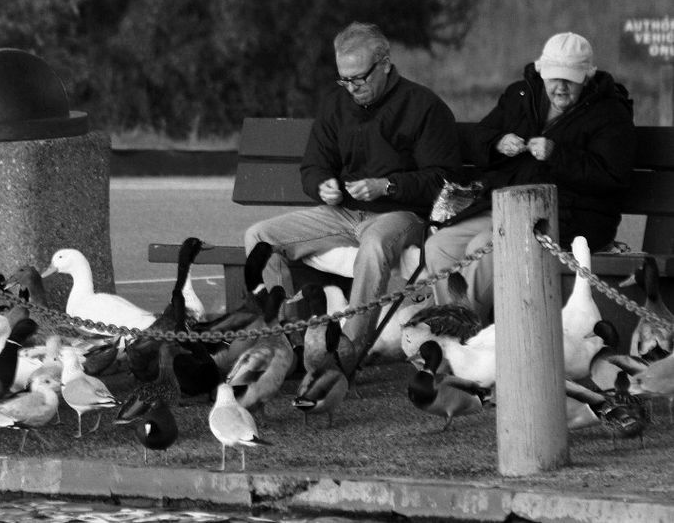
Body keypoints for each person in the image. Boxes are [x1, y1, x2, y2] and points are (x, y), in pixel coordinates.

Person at [244, 22, 461, 354]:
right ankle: (286, 342)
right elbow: (313, 165)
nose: (352, 87)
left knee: (373, 246)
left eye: (359, 78)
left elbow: (443, 180)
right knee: (259, 237)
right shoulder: (336, 104)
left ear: (385, 64)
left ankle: (350, 348)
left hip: (403, 214)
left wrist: (387, 186)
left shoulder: (423, 106)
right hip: (343, 213)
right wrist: (322, 185)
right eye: (344, 78)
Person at [425, 32, 636, 321]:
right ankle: (461, 331)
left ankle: (456, 331)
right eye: (553, 78)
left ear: (587, 76)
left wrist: (556, 155)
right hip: (504, 206)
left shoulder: (610, 113)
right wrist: (497, 142)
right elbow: (476, 139)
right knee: (440, 246)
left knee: (482, 247)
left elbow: (613, 177)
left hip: (569, 217)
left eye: (570, 79)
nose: (560, 87)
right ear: (541, 72)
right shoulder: (520, 96)